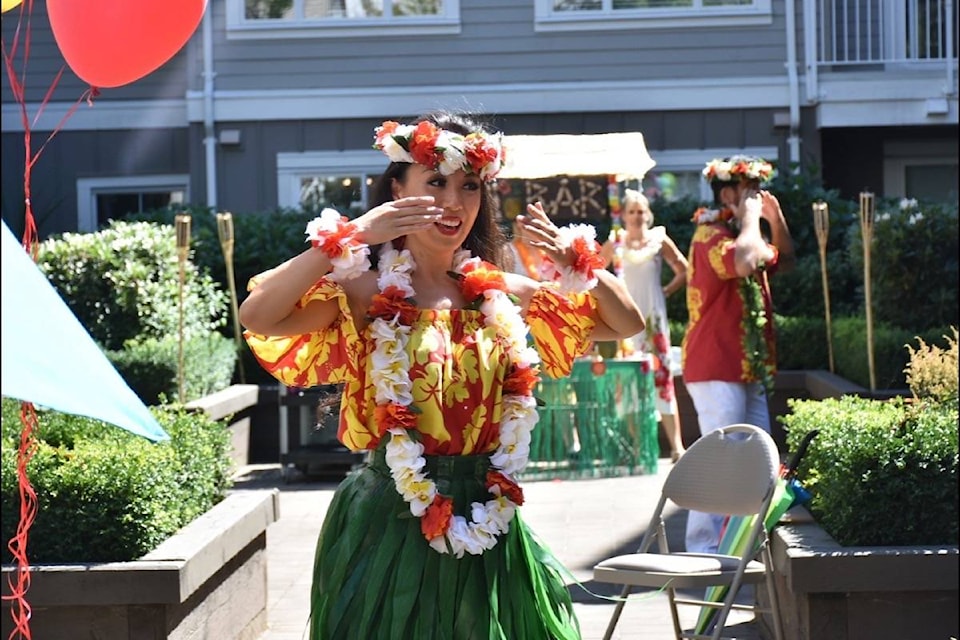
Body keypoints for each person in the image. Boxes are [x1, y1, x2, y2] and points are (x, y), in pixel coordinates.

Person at [239, 111, 645, 640]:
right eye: (436, 182)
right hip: (392, 518)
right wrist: (355, 234)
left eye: (469, 186)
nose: (454, 203)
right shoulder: (364, 290)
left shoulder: (498, 292)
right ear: (396, 191)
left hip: (487, 512)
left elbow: (625, 322)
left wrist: (578, 261)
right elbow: (258, 315)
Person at [681, 155, 795, 554]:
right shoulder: (710, 235)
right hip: (715, 365)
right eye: (749, 192)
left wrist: (773, 221)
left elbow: (786, 259)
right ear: (727, 194)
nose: (757, 199)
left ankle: (740, 545)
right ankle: (702, 549)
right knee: (720, 457)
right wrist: (750, 217)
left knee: (757, 459)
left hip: (746, 366)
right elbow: (747, 261)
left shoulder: (741, 235)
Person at [600, 189, 689, 463]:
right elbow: (593, 273)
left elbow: (684, 269)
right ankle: (639, 447)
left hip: (654, 320)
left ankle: (676, 446)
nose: (637, 216)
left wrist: (665, 291)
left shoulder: (659, 240)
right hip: (624, 323)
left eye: (641, 211)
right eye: (632, 211)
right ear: (623, 215)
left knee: (663, 382)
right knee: (629, 383)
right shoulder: (615, 242)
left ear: (647, 214)